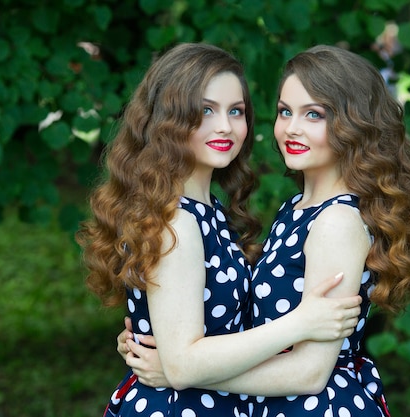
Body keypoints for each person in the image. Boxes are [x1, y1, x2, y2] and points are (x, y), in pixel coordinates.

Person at [116, 44, 410, 417]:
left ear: (354, 124)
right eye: (285, 112)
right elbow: (200, 340)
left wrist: (177, 370)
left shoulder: (335, 221)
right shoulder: (281, 211)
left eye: (313, 114)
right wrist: (166, 351)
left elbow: (310, 372)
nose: (292, 128)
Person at [77, 43, 364, 417]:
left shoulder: (210, 213)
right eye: (205, 110)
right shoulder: (177, 220)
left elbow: (188, 359)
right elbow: (183, 363)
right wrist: (299, 323)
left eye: (236, 111)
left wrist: (175, 364)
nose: (225, 126)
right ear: (170, 119)